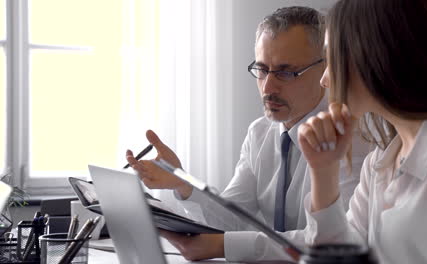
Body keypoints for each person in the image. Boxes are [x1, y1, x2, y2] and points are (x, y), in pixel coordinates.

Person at [127, 6, 367, 262]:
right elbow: (233, 219)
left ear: (325, 69)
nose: (268, 87)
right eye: (262, 70)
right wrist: (182, 183)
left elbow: (330, 242)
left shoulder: (351, 138)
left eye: (285, 72)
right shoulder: (260, 133)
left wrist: (224, 246)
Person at [298, 0, 427, 263]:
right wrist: (323, 171)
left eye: (331, 58)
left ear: (369, 52)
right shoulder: (379, 163)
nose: (324, 79)